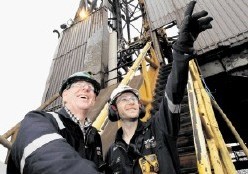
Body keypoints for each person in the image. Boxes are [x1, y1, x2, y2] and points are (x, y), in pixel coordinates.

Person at [104, 1, 213, 174]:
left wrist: (180, 51)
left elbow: (173, 92)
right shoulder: (112, 152)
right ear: (113, 109)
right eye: (124, 99)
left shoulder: (160, 127)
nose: (131, 102)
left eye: (134, 99)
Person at [7, 71, 105, 174]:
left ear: (94, 100)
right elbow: (45, 159)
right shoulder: (40, 120)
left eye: (91, 87)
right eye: (78, 84)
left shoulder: (95, 136)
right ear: (65, 95)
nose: (86, 88)